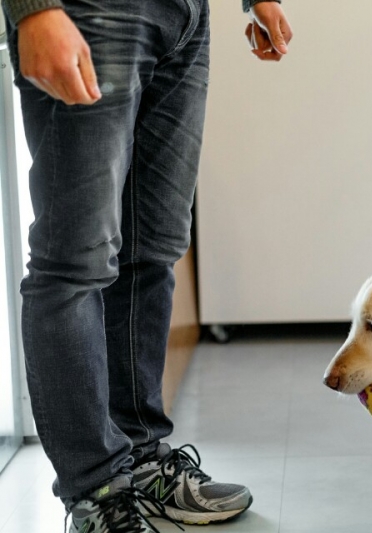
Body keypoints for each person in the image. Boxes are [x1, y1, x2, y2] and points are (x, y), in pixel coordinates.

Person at [1, 0, 292, 531]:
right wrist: (33, 8)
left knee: (151, 248)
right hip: (90, 10)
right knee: (73, 263)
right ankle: (95, 488)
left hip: (185, 17)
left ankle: (140, 459)